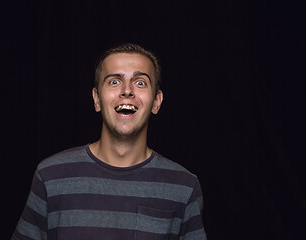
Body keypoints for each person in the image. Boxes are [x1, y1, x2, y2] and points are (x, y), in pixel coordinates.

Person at [12, 43, 207, 240]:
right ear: (96, 99)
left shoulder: (184, 186)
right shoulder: (50, 176)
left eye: (140, 82)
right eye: (114, 82)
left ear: (157, 101)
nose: (127, 91)